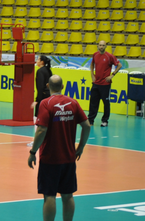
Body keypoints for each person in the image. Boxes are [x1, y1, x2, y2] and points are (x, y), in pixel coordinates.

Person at [28, 75, 91, 221]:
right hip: (69, 158)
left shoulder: (45, 103)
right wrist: (80, 147)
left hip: (50, 159)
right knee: (67, 195)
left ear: (48, 87)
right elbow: (86, 125)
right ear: (63, 87)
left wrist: (32, 152)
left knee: (49, 195)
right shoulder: (73, 103)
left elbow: (41, 130)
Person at [89, 40, 122, 127]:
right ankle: (90, 120)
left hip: (105, 84)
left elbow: (119, 65)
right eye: (100, 45)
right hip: (96, 83)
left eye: (103, 45)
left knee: (106, 103)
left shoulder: (109, 56)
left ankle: (105, 121)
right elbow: (92, 64)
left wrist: (112, 75)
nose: (101, 47)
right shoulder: (95, 54)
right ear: (98, 46)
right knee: (93, 102)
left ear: (105, 46)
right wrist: (92, 74)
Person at [28, 55, 53, 147]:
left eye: (38, 59)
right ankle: (46, 140)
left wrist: (37, 100)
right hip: (49, 97)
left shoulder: (40, 71)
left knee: (37, 120)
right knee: (47, 120)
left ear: (42, 62)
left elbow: (40, 87)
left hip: (42, 98)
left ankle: (36, 141)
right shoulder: (48, 70)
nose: (36, 61)